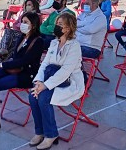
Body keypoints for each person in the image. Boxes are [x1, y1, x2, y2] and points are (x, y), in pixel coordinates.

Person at [28, 13, 84, 149]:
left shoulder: (74, 46)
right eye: (56, 24)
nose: (56, 27)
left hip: (68, 81)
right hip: (49, 78)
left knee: (43, 98)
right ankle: (39, 132)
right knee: (32, 96)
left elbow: (65, 71)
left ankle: (51, 134)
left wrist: (45, 86)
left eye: (60, 25)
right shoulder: (54, 43)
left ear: (68, 28)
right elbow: (45, 64)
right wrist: (38, 81)